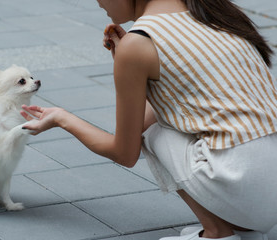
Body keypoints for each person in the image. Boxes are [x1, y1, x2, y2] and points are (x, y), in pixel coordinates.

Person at [20, 0, 277, 239]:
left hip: (241, 183)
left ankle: (216, 232)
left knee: (157, 134)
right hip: (269, 193)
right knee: (168, 123)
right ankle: (242, 226)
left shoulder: (140, 42)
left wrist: (62, 118)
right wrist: (133, 71)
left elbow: (124, 152)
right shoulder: (216, 15)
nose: (97, 1)